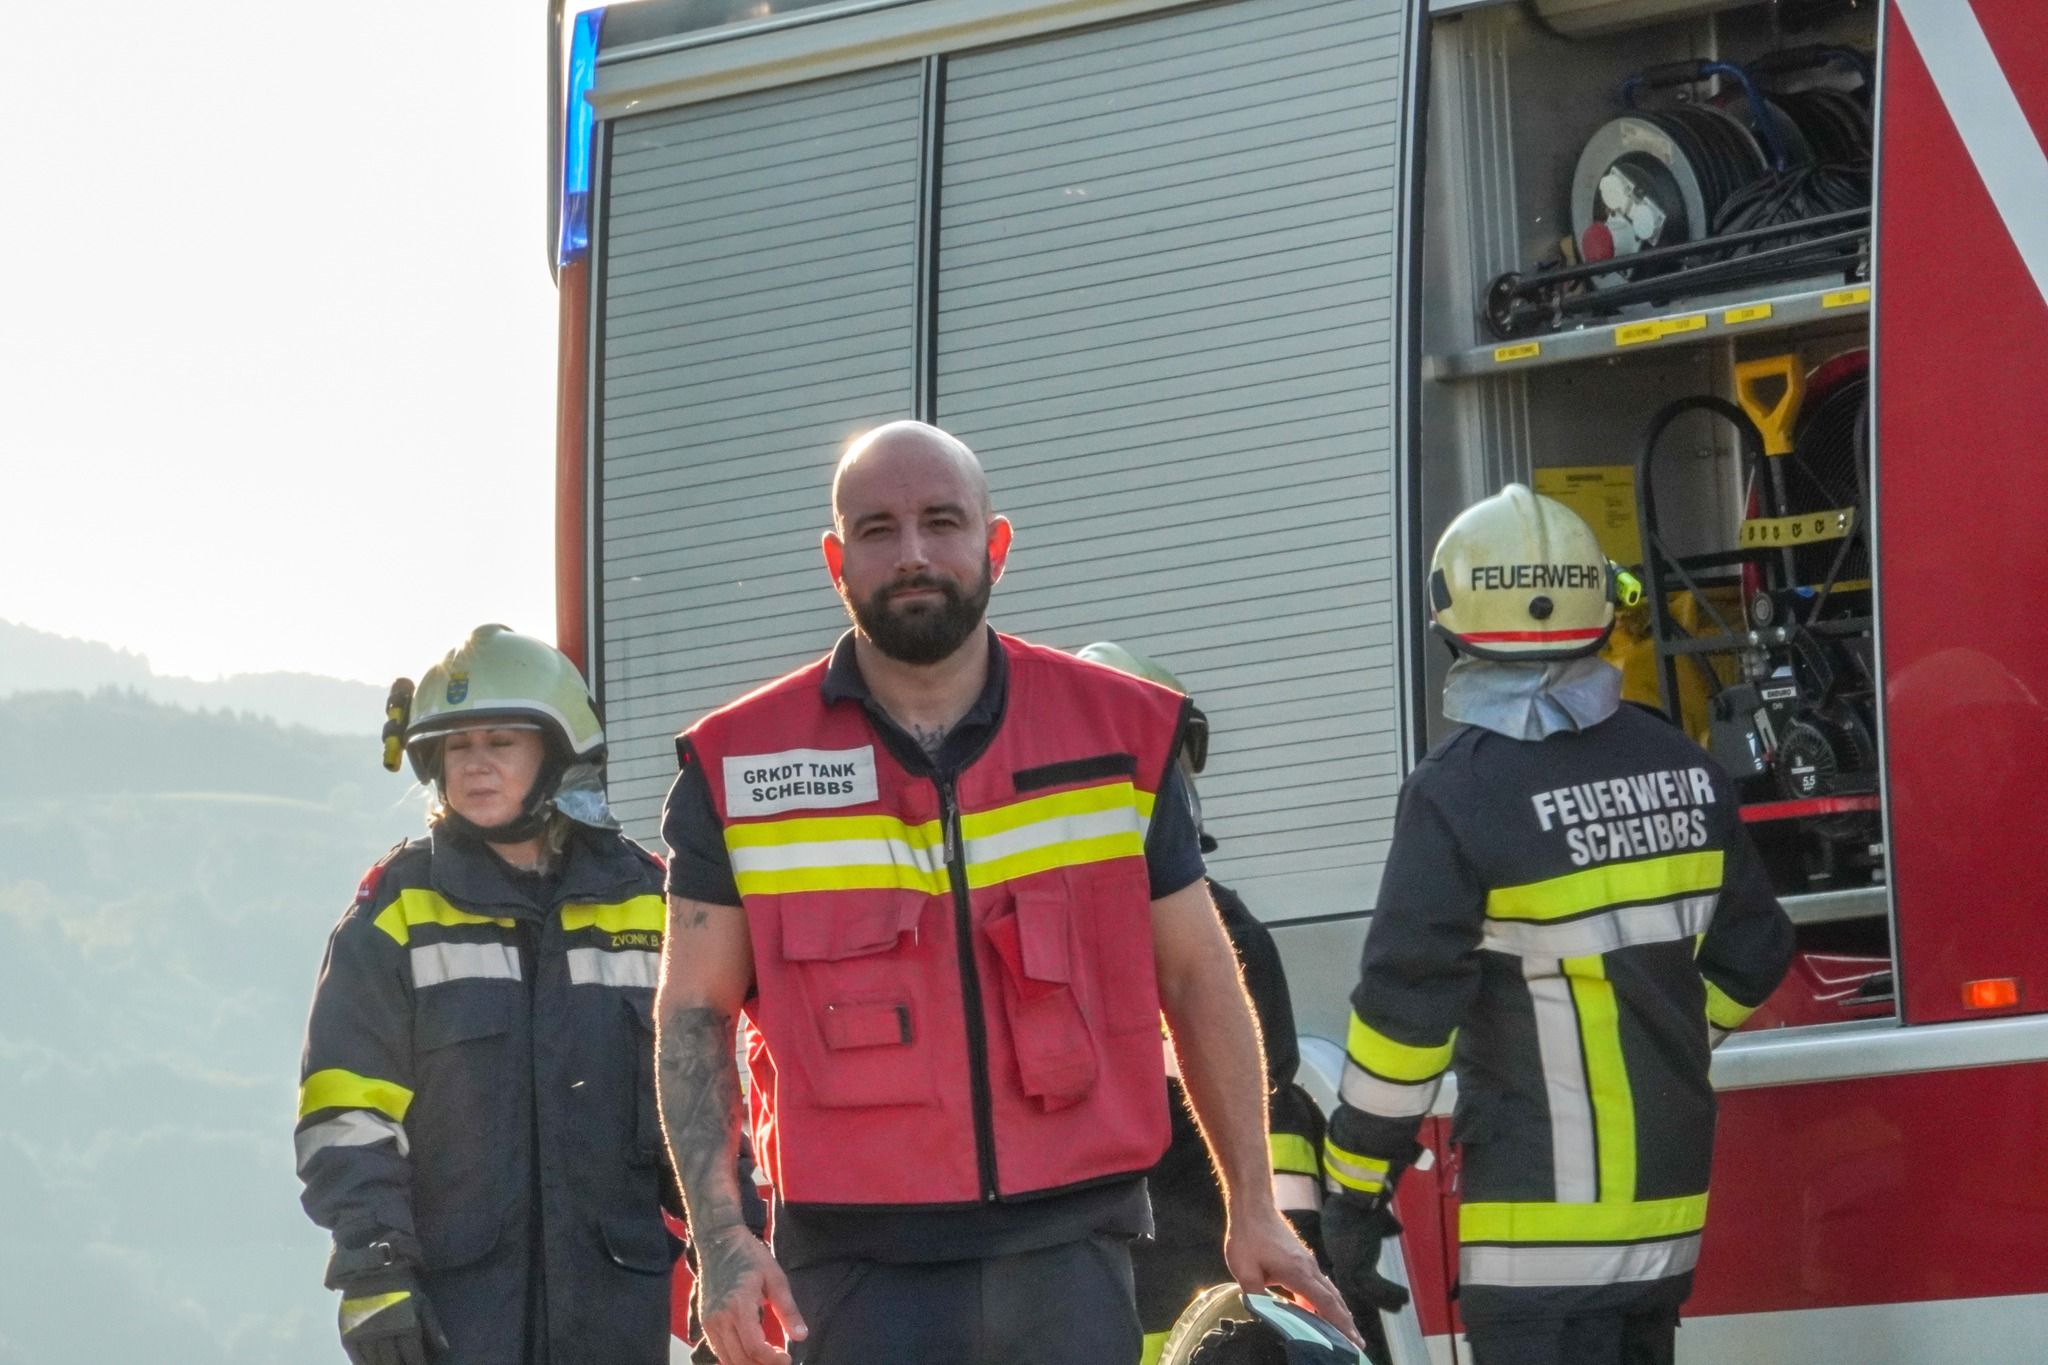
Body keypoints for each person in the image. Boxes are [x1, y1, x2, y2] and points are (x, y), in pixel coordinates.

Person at [653, 420, 1356, 1365]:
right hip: (855, 1272)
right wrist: (723, 1235)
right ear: (835, 559)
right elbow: (692, 1014)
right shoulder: (739, 766)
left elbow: (1197, 977)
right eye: (877, 529)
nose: (912, 552)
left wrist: (1256, 1203)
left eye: (942, 521)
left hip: (1070, 1259)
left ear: (997, 544)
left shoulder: (1118, 734)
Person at [1318, 486, 1796, 1365]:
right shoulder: (1683, 764)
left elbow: (1405, 1015)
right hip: (1663, 1221)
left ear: (1454, 623)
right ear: (1600, 608)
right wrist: (1671, 1036)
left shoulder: (1457, 792)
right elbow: (1757, 950)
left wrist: (1354, 1185)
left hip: (1536, 1231)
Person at [295, 624, 689, 1365]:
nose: (475, 764)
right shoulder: (399, 909)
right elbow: (346, 1113)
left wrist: (734, 1248)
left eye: (501, 742)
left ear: (560, 751)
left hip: (615, 1313)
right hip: (456, 1313)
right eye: (456, 747)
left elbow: (703, 1100)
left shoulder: (648, 901)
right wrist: (374, 1267)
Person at [1072, 642, 1330, 1365]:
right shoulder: (1222, 931)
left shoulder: (1027, 939)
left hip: (1105, 1298)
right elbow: (1276, 1108)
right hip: (1197, 1306)